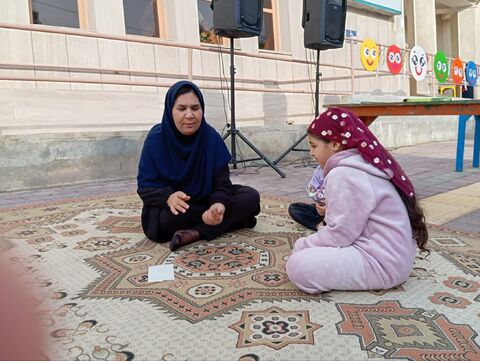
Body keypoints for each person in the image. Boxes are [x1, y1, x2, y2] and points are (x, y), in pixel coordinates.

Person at [286, 107, 428, 294]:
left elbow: (340, 234)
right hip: (393, 258)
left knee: (298, 265)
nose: (311, 153)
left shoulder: (344, 173)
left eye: (314, 146)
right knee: (311, 239)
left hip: (382, 264)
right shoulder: (359, 164)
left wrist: (302, 245)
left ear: (335, 145)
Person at [137, 80, 260, 251]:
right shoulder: (156, 139)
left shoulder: (210, 138)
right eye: (181, 109)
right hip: (178, 209)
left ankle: (195, 233)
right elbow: (145, 186)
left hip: (207, 199)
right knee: (164, 220)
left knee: (251, 196)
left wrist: (219, 205)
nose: (189, 115)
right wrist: (169, 197)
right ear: (170, 110)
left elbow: (222, 184)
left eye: (195, 108)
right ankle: (233, 221)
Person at [288, 165, 326, 231]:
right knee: (294, 208)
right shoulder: (319, 170)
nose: (311, 154)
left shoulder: (343, 172)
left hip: (339, 213)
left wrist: (330, 209)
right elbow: (311, 190)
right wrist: (319, 203)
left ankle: (329, 227)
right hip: (323, 210)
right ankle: (320, 225)